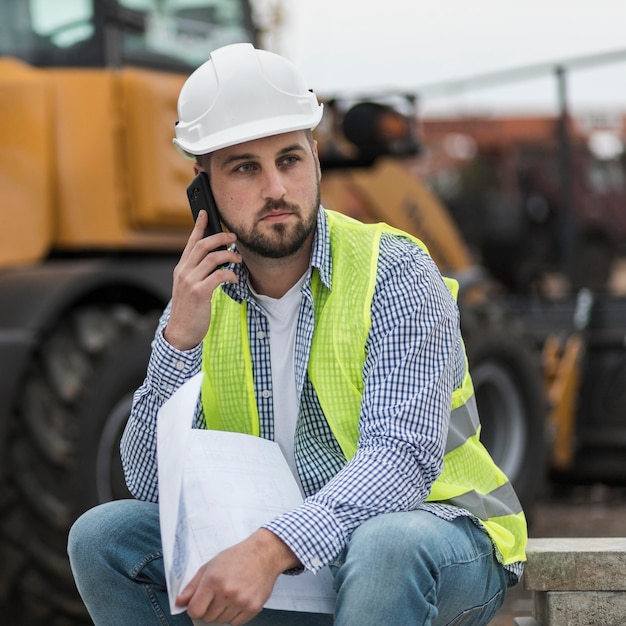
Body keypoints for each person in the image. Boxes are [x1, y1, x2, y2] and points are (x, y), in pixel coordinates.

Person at [68, 42, 527, 626]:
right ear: (202, 187)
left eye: (289, 160)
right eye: (244, 168)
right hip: (292, 560)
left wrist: (265, 549)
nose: (276, 188)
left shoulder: (394, 271)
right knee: (102, 537)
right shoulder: (201, 299)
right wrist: (177, 343)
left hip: (435, 537)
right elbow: (150, 485)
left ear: (314, 158)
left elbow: (401, 458)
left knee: (387, 548)